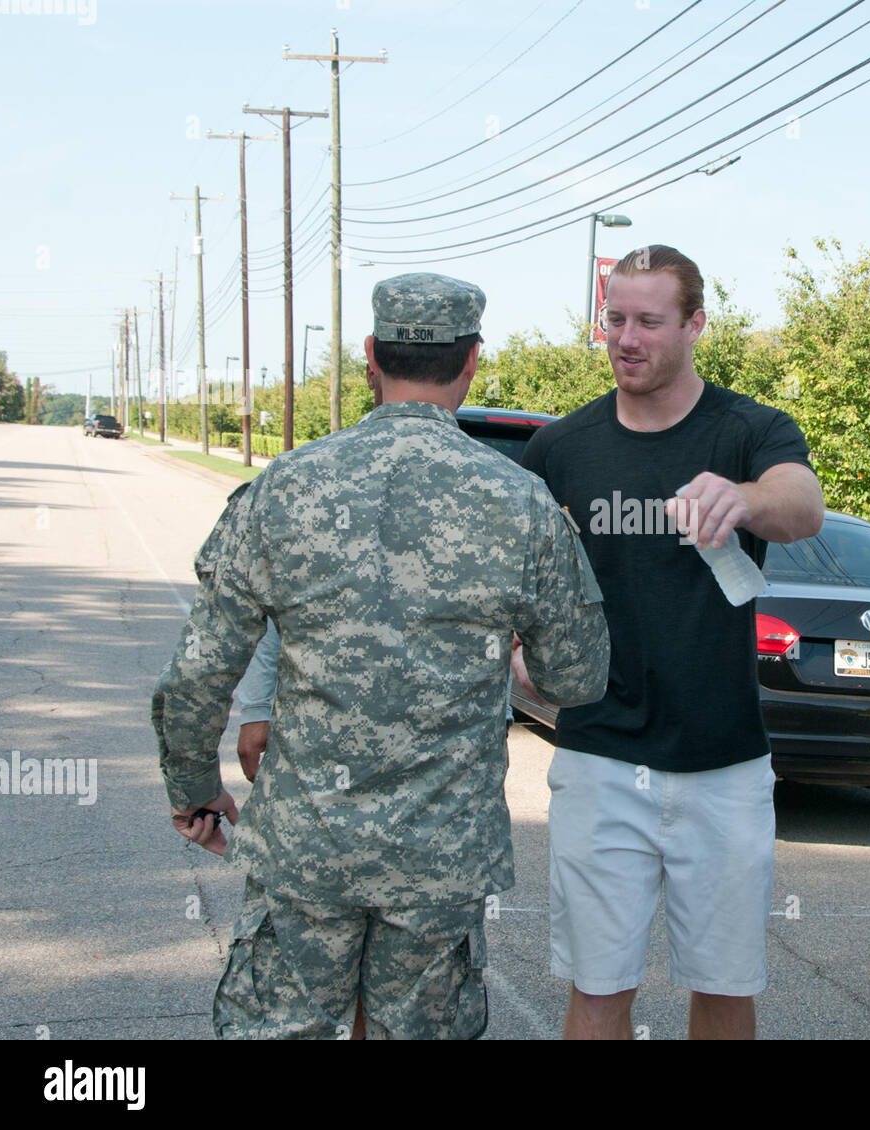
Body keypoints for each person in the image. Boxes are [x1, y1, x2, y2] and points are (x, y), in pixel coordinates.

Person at [152, 272, 610, 1040]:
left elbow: (199, 673)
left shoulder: (286, 487)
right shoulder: (522, 503)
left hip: (306, 851)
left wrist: (195, 788)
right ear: (471, 360)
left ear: (371, 355)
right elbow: (577, 679)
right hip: (440, 856)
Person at [516, 245, 824, 1040]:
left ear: (695, 325)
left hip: (723, 765)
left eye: (649, 321)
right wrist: (520, 646)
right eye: (614, 318)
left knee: (724, 989)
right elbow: (524, 579)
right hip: (599, 759)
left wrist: (746, 497)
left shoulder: (749, 429)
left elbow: (801, 506)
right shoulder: (561, 449)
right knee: (597, 987)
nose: (626, 337)